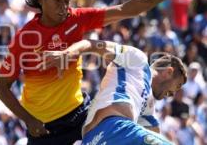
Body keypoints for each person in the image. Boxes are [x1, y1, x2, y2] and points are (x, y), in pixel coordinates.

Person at [0, 0, 206, 145]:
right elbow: (2, 87)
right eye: (57, 1)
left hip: (81, 116)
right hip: (43, 127)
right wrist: (28, 120)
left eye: (67, 1)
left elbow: (127, 9)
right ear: (41, 1)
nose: (64, 8)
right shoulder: (25, 38)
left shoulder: (75, 18)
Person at [40, 39, 187, 145]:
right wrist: (67, 52)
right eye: (178, 85)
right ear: (168, 72)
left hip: (94, 140)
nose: (173, 93)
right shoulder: (138, 60)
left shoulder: (148, 106)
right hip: (112, 127)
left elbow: (154, 132)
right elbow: (93, 45)